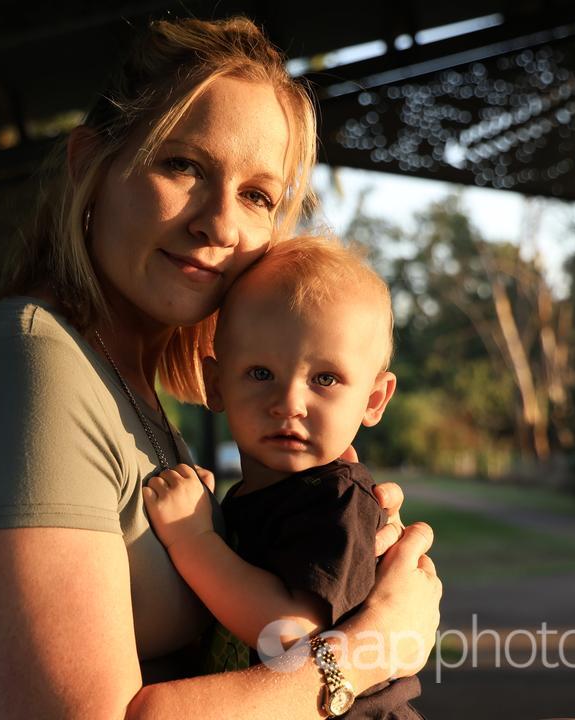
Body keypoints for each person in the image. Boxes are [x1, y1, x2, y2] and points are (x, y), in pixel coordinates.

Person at [0, 15, 442, 719]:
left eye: (258, 195)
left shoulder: (125, 388)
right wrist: (369, 650)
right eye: (183, 165)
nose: (221, 223)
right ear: (90, 164)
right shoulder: (29, 367)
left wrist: (351, 557)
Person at [143, 235, 425, 719]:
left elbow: (289, 633)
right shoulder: (260, 496)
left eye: (325, 379)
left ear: (375, 400)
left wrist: (194, 541)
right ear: (216, 384)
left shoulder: (335, 501)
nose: (289, 403)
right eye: (259, 373)